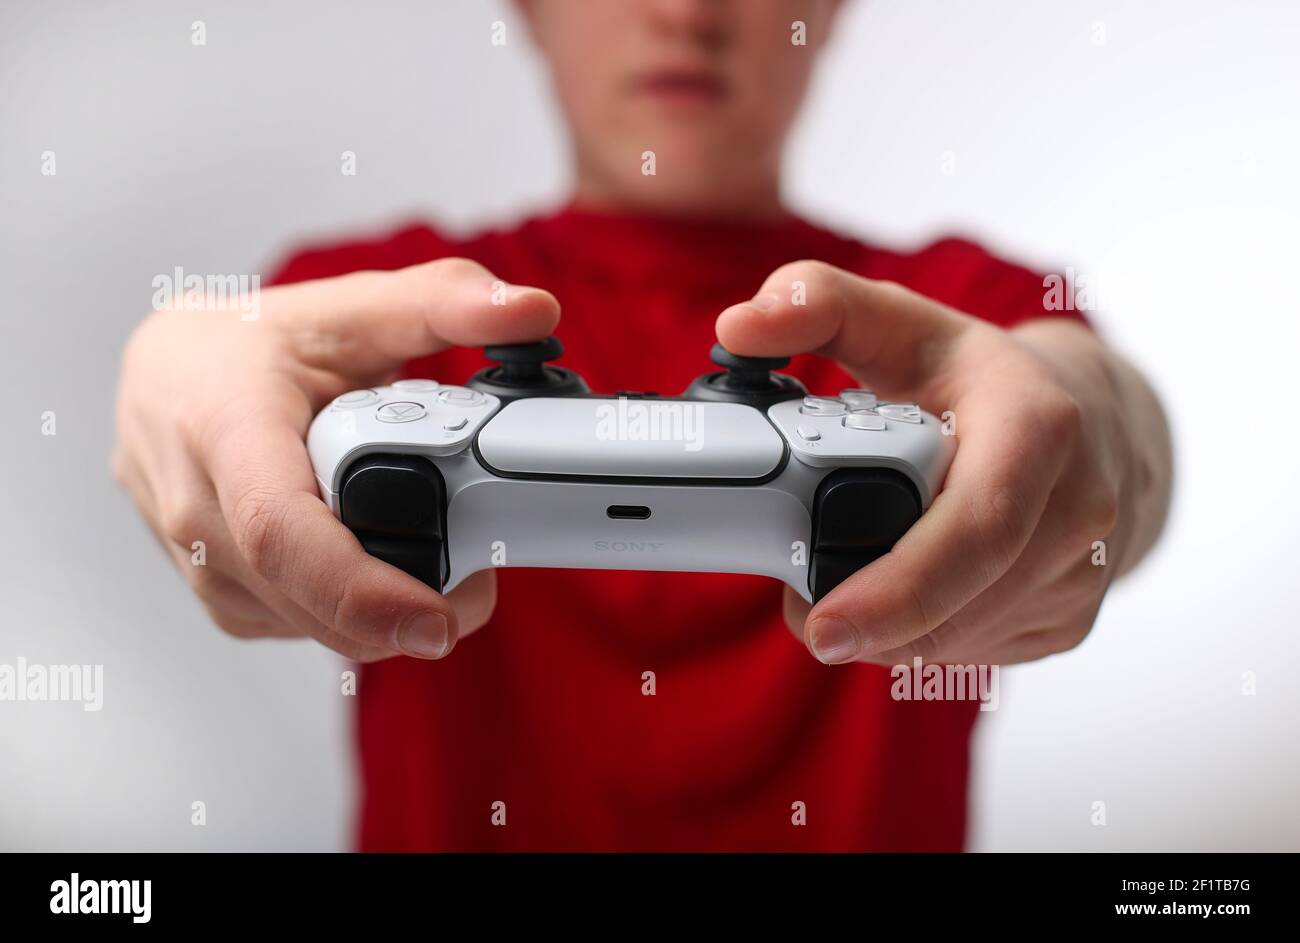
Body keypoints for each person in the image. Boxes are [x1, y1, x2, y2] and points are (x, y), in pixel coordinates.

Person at [112, 0, 1172, 851]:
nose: (686, 12)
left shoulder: (957, 317)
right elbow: (225, 367)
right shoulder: (365, 312)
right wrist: (169, 363)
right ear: (526, 10)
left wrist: (1090, 432)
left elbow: (1104, 427)